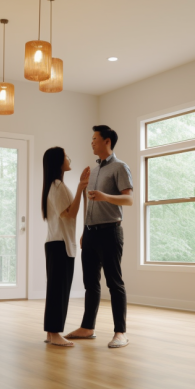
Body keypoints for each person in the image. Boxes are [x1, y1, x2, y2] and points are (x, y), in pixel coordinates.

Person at [66, 125, 133, 348]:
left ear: (107, 141)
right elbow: (88, 203)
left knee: (115, 283)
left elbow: (128, 200)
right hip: (91, 233)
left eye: (95, 138)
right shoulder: (93, 171)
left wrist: (105, 196)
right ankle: (87, 328)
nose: (91, 142)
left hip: (111, 232)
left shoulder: (120, 167)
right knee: (90, 283)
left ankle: (120, 333)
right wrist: (85, 230)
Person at [41, 147, 90, 347]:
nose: (69, 158)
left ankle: (51, 334)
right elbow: (70, 213)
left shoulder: (55, 185)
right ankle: (54, 333)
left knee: (56, 290)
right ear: (58, 162)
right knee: (58, 291)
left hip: (58, 243)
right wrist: (80, 187)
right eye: (65, 156)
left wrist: (81, 188)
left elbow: (70, 212)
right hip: (60, 244)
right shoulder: (57, 185)